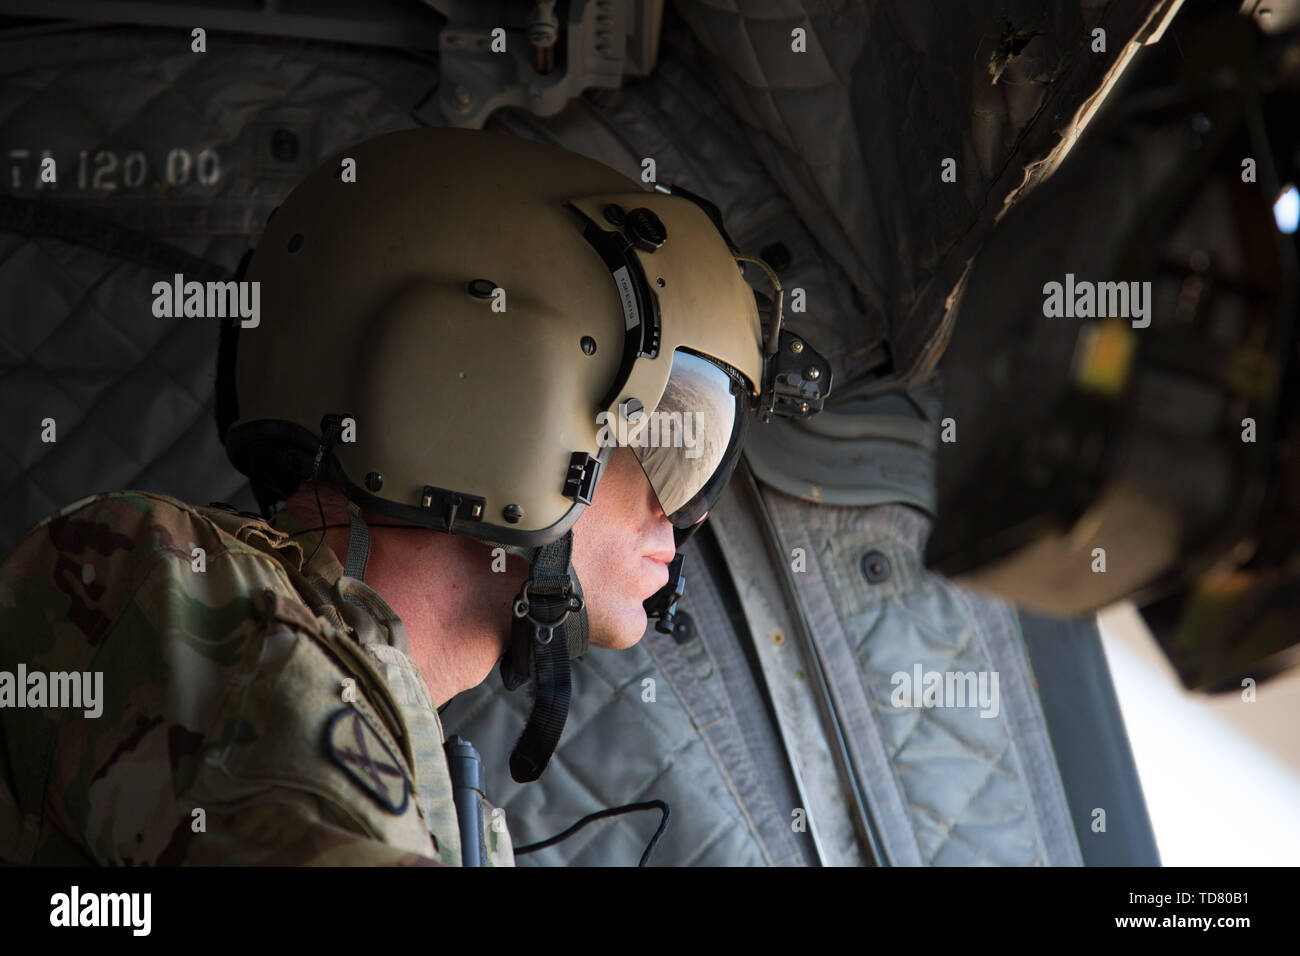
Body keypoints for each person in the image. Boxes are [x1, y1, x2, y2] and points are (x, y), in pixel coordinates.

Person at [0, 126, 828, 866]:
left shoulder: (398, 743)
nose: (686, 514)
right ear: (498, 401)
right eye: (669, 442)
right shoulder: (179, 594)